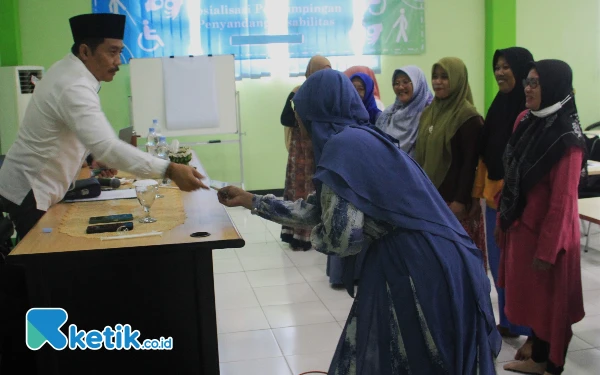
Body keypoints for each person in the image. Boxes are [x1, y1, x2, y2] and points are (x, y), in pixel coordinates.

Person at [217, 69, 501, 374]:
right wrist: (251, 201)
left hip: (417, 266)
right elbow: (318, 209)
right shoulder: (358, 138)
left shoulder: (344, 147)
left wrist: (319, 236)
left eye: (301, 113)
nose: (298, 121)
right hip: (430, 256)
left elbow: (342, 239)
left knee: (411, 357)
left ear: (317, 110)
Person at [0, 13, 207, 242]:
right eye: (112, 52)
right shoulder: (73, 85)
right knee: (38, 262)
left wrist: (90, 159)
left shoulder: (72, 73)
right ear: (85, 51)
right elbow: (107, 145)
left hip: (38, 185)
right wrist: (170, 170)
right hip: (29, 189)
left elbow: (68, 131)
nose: (118, 61)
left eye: (120, 52)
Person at [498, 60, 586, 375]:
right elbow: (512, 176)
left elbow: (563, 203)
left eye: (536, 83)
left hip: (550, 239)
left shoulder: (567, 141)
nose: (528, 88)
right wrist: (503, 221)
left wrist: (548, 251)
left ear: (553, 87)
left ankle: (550, 363)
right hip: (523, 230)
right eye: (528, 81)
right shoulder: (528, 121)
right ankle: (536, 348)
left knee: (551, 304)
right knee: (533, 300)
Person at [473, 47, 534, 355]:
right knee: (499, 267)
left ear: (522, 70)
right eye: (497, 66)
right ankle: (508, 320)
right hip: (494, 199)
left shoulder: (530, 111)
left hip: (520, 204)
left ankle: (529, 326)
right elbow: (487, 150)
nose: (499, 72)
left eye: (506, 66)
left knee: (519, 266)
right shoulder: (499, 106)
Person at [415, 57, 487, 263]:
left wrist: (460, 200)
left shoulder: (468, 118)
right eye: (435, 77)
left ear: (458, 79)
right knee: (435, 261)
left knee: (459, 260)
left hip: (455, 203)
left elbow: (470, 164)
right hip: (431, 198)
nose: (438, 82)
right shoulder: (429, 112)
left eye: (445, 77)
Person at [279, 55, 331, 250]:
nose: (325, 75)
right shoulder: (298, 91)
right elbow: (285, 118)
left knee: (316, 191)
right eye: (321, 70)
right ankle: (295, 233)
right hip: (300, 152)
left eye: (328, 70)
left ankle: (314, 234)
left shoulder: (330, 92)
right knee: (298, 189)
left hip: (319, 150)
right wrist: (304, 122)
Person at [375, 65, 433, 156]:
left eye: (405, 82)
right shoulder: (389, 114)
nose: (401, 87)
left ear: (418, 84)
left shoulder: (429, 113)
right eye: (396, 83)